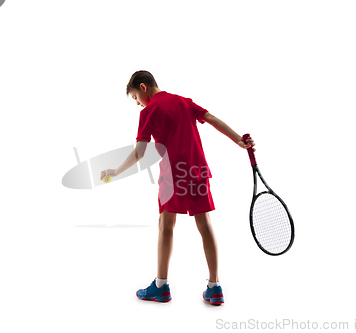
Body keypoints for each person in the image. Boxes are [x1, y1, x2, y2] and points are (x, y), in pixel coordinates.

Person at [100, 70, 255, 305]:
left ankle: (161, 286)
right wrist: (238, 141)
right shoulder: (184, 101)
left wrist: (115, 171)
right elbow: (212, 119)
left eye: (134, 98)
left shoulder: (148, 111)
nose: (137, 103)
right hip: (197, 169)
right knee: (204, 224)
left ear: (143, 87)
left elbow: (140, 153)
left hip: (172, 176)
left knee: (166, 226)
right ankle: (215, 287)